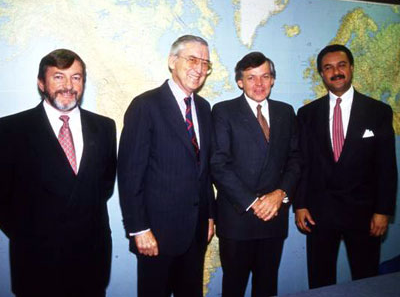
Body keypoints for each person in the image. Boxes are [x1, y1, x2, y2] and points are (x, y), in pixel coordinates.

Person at [0, 49, 117, 297]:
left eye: (76, 77)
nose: (68, 86)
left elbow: (104, 186)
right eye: (58, 77)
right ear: (41, 83)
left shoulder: (105, 127)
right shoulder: (10, 130)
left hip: (91, 259)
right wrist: (31, 233)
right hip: (36, 262)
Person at [118, 35, 216, 297]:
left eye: (205, 63)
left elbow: (203, 170)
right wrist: (139, 229)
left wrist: (209, 215)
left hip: (195, 232)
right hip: (156, 235)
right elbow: (130, 175)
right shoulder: (146, 105)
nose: (199, 68)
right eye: (192, 59)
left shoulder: (205, 109)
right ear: (172, 61)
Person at [295, 44, 397, 288]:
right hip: (320, 214)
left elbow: (386, 166)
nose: (336, 72)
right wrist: (300, 205)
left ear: (351, 68)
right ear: (322, 74)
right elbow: (303, 163)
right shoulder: (307, 114)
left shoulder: (378, 111)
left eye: (341, 65)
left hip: (364, 214)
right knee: (320, 282)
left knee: (367, 280)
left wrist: (383, 211)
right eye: (328, 68)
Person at [211, 52, 301, 297]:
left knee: (267, 285)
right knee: (234, 287)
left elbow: (295, 158)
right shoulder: (223, 111)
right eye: (251, 78)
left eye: (265, 76)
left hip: (274, 217)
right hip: (237, 218)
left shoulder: (286, 111)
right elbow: (219, 164)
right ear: (240, 81)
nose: (259, 84)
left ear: (273, 80)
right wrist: (252, 202)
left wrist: (280, 194)